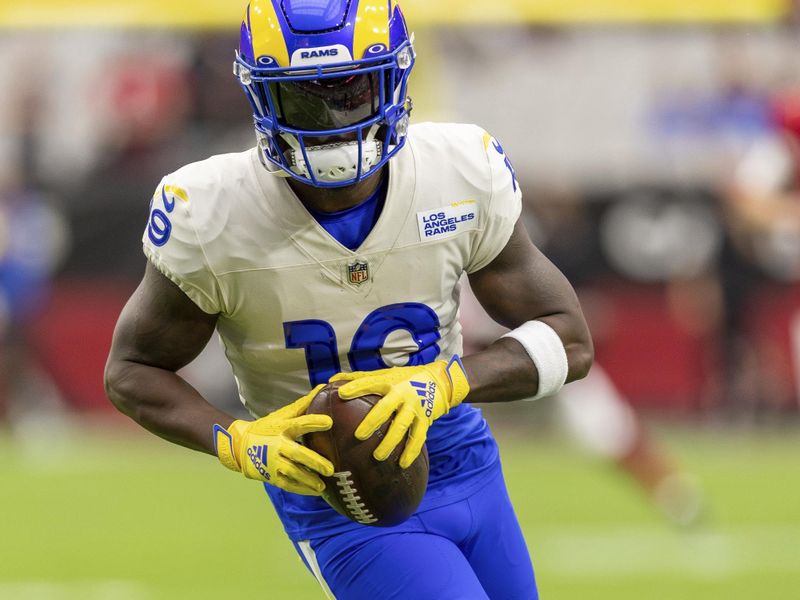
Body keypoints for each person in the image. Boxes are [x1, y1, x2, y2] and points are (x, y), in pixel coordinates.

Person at [104, 1, 593, 598]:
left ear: (394, 77)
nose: (331, 118)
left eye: (350, 90)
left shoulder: (459, 169)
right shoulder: (210, 211)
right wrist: (234, 439)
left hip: (465, 457)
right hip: (335, 487)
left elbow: (569, 338)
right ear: (259, 97)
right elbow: (130, 371)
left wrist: (447, 384)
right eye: (302, 96)